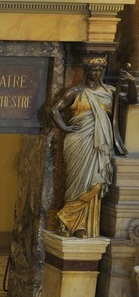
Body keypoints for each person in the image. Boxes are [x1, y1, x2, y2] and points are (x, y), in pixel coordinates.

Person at [51, 53, 135, 237]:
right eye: (93, 69)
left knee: (95, 184)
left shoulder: (110, 91)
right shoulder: (76, 92)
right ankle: (74, 223)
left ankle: (68, 218)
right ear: (86, 71)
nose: (97, 73)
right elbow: (55, 109)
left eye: (99, 69)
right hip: (79, 141)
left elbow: (132, 100)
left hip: (100, 145)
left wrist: (131, 83)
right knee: (77, 182)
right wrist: (65, 127)